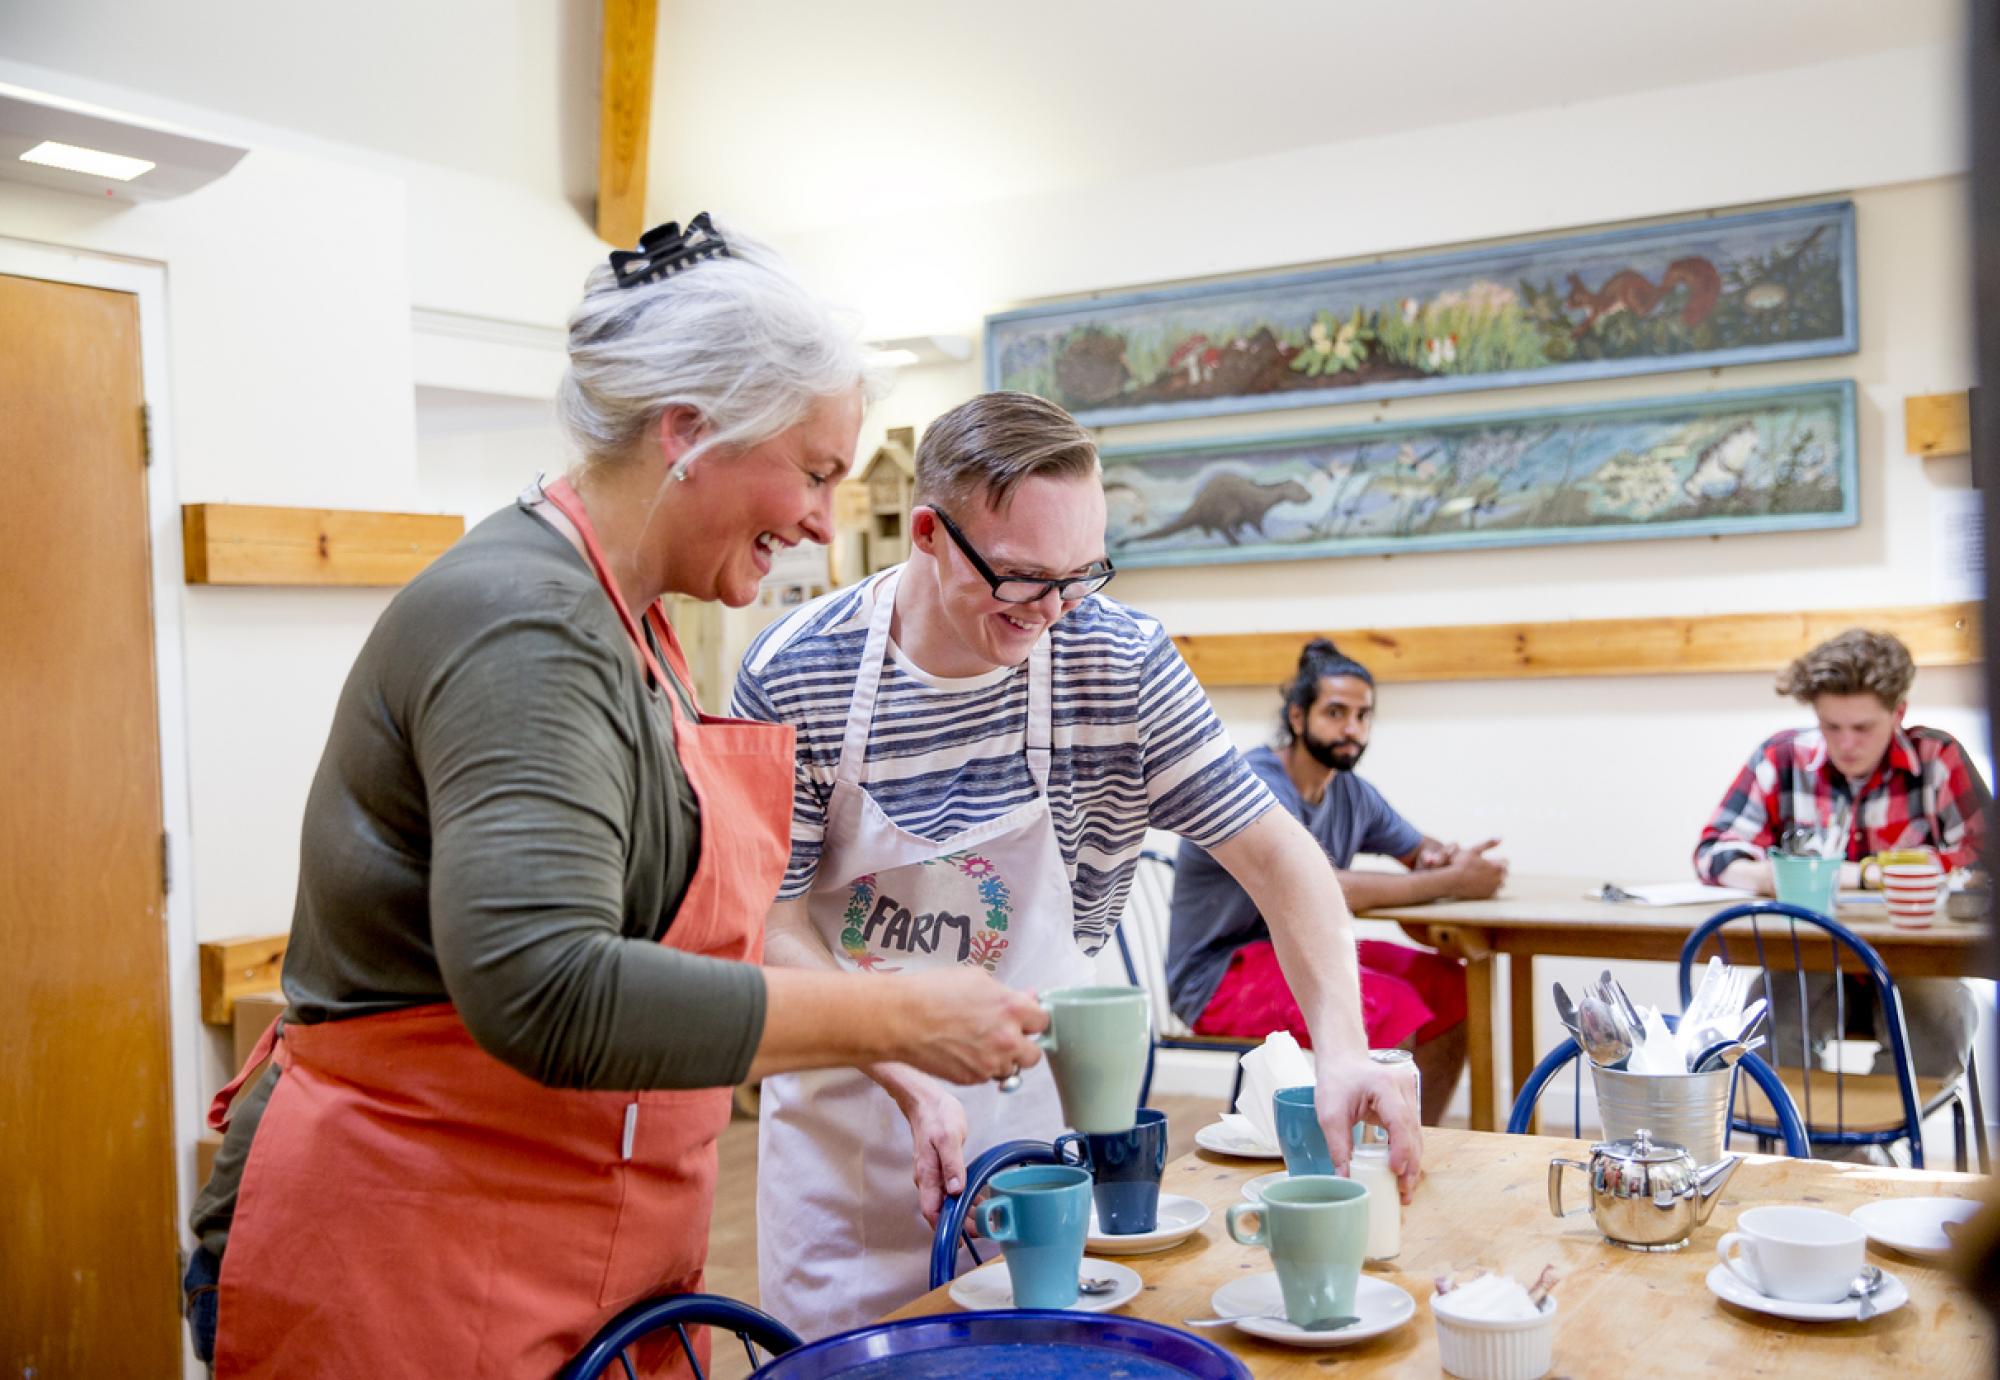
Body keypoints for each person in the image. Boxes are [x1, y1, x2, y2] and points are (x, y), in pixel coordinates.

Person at [182, 217, 1047, 1379]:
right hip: (412, 1245)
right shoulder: (526, 626)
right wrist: (900, 1018)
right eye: (813, 470)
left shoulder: (630, 623)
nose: (821, 524)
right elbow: (546, 987)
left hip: (564, 1240)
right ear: (685, 432)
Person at [731, 391, 1423, 1339]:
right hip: (852, 1126)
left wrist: (1342, 1047)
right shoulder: (798, 671)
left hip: (1033, 1128)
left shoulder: (1117, 660)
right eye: (1021, 579)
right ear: (928, 534)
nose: (1054, 613)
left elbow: (1279, 858)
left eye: (1082, 573)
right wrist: (901, 1063)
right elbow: (767, 920)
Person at [1165, 639, 1504, 1123]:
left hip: (1298, 950)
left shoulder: (1350, 791)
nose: (1353, 728)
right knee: (1392, 1006)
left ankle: (1415, 1139)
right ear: (1298, 718)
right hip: (1220, 975)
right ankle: (1372, 1167)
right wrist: (1452, 880)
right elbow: (1317, 887)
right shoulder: (1251, 781)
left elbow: (1421, 853)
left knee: (1451, 986)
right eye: (1337, 712)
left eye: (1363, 716)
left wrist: (1448, 860)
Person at [1694, 627, 1989, 1085]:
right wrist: (1774, 876)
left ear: (1899, 713)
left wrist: (1862, 875)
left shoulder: (1937, 757)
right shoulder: (1782, 758)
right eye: (1832, 727)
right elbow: (1714, 853)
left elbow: (1983, 857)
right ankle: (1828, 1153)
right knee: (1762, 1028)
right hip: (1807, 955)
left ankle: (1876, 1144)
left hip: (1912, 958)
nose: (1847, 743)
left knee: (1942, 1026)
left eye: (1863, 728)